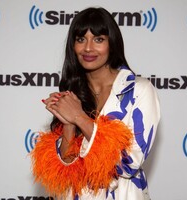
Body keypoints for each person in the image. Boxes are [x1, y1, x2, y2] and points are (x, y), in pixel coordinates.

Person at [31, 7, 160, 200]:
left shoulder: (138, 90)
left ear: (112, 44)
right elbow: (65, 169)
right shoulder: (73, 94)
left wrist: (79, 117)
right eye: (81, 39)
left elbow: (130, 163)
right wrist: (68, 124)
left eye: (98, 39)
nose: (88, 48)